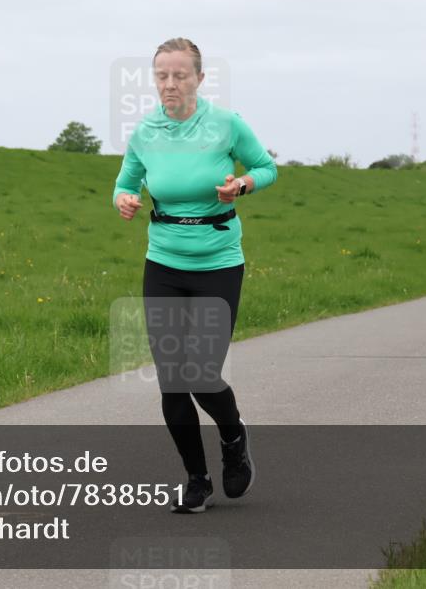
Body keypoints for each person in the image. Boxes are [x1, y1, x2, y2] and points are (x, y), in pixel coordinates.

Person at [112, 38, 277, 513]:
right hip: (164, 264)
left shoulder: (226, 124)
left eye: (180, 75)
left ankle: (233, 437)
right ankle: (197, 480)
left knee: (202, 376)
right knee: (171, 380)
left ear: (199, 79)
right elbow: (125, 182)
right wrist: (123, 199)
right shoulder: (145, 132)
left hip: (218, 263)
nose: (170, 83)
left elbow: (266, 168)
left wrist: (241, 184)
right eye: (161, 75)